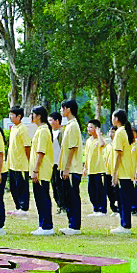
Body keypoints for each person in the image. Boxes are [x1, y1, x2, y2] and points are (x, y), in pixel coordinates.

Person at [29, 106, 56, 236]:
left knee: (43, 197)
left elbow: (41, 152)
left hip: (42, 170)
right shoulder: (40, 130)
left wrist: (36, 170)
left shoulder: (44, 131)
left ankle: (47, 226)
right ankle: (42, 224)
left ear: (39, 116)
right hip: (39, 170)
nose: (31, 116)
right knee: (39, 198)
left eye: (32, 114)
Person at [58, 99, 83, 234]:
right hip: (68, 168)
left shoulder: (73, 125)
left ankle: (74, 226)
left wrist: (67, 168)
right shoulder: (69, 125)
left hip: (73, 169)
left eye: (62, 108)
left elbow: (73, 148)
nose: (61, 110)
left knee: (73, 197)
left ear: (68, 109)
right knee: (68, 197)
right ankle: (71, 224)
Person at [109, 109, 136, 235]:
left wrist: (115, 173)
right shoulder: (125, 131)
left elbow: (118, 154)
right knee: (123, 199)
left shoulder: (120, 132)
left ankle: (125, 225)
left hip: (123, 172)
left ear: (117, 119)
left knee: (123, 200)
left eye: (113, 117)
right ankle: (124, 224)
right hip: (126, 171)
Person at [6, 107, 31, 215]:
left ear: (19, 116)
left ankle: (23, 208)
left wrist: (29, 160)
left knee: (22, 186)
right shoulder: (13, 128)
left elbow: (27, 146)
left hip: (21, 164)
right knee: (13, 187)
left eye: (12, 115)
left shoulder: (22, 128)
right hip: (12, 163)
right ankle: (17, 207)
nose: (10, 117)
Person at [83, 119, 106, 216]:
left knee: (99, 189)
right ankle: (96, 208)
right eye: (88, 127)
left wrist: (99, 134)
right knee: (91, 190)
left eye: (91, 127)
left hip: (99, 169)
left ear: (96, 128)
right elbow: (87, 155)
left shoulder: (100, 139)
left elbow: (102, 144)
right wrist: (85, 168)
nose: (88, 129)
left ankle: (102, 209)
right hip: (91, 170)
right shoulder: (88, 141)